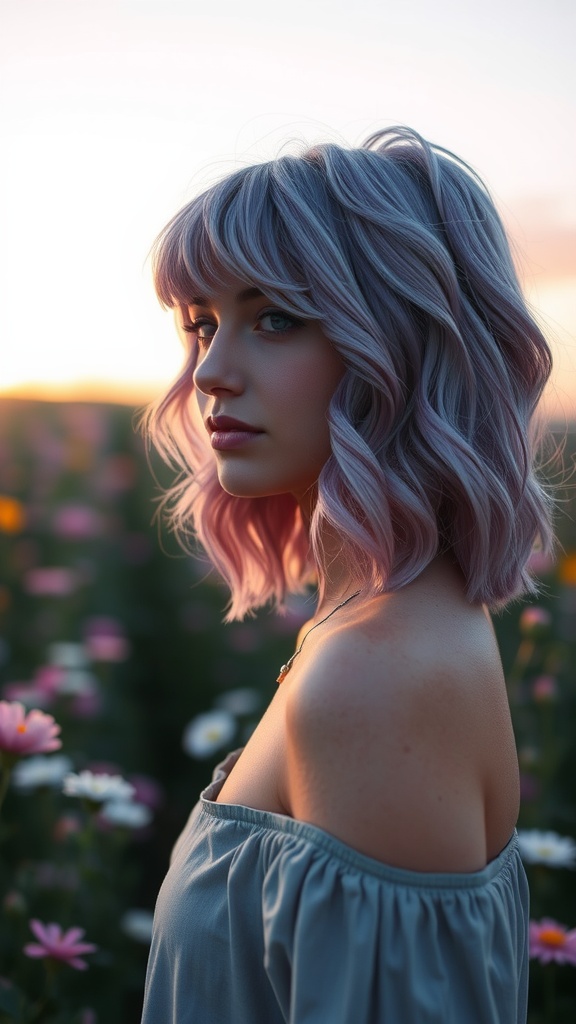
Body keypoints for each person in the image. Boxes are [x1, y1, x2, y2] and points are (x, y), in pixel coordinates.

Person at [140, 125, 553, 1023]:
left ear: (401, 343)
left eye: (274, 318)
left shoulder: (378, 674)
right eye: (203, 323)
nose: (210, 371)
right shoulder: (385, 622)